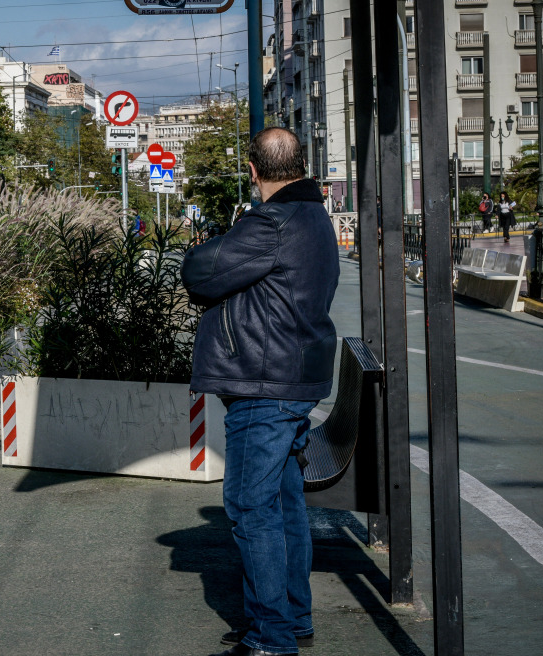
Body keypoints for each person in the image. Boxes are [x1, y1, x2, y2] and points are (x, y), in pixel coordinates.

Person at [181, 128, 339, 656]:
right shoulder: (313, 216)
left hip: (265, 383)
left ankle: (271, 638)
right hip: (291, 378)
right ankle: (291, 620)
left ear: (253, 171)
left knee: (250, 507)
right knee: (283, 503)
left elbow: (200, 271)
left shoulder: (272, 222)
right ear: (301, 163)